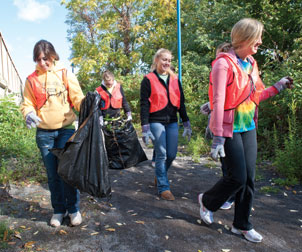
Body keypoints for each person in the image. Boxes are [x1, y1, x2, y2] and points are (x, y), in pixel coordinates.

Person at [198, 18, 293, 243]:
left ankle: (241, 225)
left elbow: (256, 94)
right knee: (237, 178)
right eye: (257, 39)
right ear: (245, 38)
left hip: (248, 126)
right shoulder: (223, 64)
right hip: (229, 128)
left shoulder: (251, 62)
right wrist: (218, 137)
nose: (260, 42)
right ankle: (207, 201)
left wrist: (278, 86)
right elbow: (219, 101)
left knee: (249, 179)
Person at [20, 40, 85, 227]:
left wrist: (90, 108)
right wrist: (29, 113)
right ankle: (58, 210)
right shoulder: (31, 80)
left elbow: (77, 98)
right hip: (44, 134)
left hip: (65, 130)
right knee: (52, 175)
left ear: (53, 56)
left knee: (67, 172)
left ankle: (73, 209)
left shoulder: (65, 74)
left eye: (46, 59)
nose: (43, 63)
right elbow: (27, 103)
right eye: (39, 59)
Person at [140, 48, 192, 201]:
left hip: (172, 121)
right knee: (161, 154)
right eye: (164, 60)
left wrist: (186, 122)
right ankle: (164, 187)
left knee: (172, 154)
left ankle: (159, 174)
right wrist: (145, 127)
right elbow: (144, 104)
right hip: (155, 120)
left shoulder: (175, 79)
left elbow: (181, 102)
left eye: (169, 60)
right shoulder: (148, 79)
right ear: (156, 60)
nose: (167, 63)